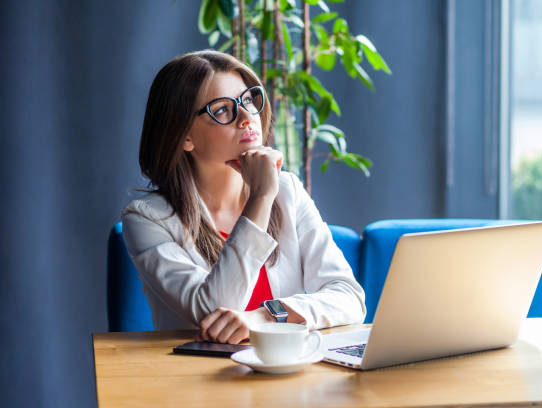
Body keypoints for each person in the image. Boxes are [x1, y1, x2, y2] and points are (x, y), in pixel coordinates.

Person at [121, 50, 366, 345]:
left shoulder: (286, 189)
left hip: (290, 372)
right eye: (222, 109)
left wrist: (266, 317)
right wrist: (261, 197)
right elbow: (213, 311)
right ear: (184, 136)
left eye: (248, 99)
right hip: (199, 380)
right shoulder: (148, 218)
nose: (247, 117)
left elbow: (349, 297)